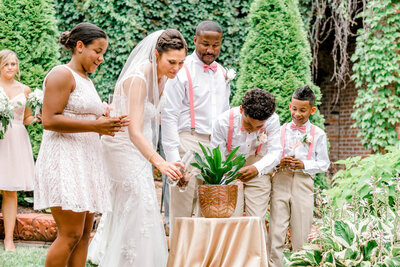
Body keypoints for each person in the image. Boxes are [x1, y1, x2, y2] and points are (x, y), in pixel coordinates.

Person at [87, 29, 187, 267]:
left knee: (135, 203)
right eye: (171, 62)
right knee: (141, 200)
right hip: (122, 146)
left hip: (141, 146)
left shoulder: (164, 76)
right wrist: (160, 162)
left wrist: (174, 157)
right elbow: (134, 131)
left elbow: (160, 120)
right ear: (156, 54)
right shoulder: (138, 78)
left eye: (181, 63)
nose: (176, 68)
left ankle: (121, 254)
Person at [34, 23, 128, 267]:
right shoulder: (61, 74)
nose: (101, 58)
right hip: (64, 160)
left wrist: (106, 123)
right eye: (97, 51)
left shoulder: (86, 79)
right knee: (70, 234)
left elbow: (86, 118)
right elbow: (49, 119)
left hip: (85, 160)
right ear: (79, 46)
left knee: (85, 234)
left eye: (103, 52)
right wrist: (96, 126)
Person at [161, 21, 230, 233]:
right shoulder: (181, 70)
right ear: (194, 41)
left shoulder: (222, 73)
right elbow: (169, 114)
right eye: (205, 44)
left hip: (215, 148)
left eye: (216, 45)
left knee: (210, 210)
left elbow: (225, 115)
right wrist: (173, 158)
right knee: (181, 209)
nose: (210, 50)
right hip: (188, 143)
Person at [268, 85, 330, 267]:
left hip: (303, 183)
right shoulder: (279, 131)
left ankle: (300, 263)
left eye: (303, 110)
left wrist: (305, 164)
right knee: (276, 230)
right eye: (294, 109)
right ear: (289, 106)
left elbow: (324, 164)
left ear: (312, 110)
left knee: (301, 232)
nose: (297, 114)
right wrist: (278, 161)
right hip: (280, 180)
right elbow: (269, 156)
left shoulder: (318, 134)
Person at [210, 88, 282, 243]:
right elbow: (217, 157)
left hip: (259, 166)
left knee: (256, 220)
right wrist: (228, 175)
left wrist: (257, 168)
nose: (252, 130)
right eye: (248, 124)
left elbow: (276, 152)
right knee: (231, 218)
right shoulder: (222, 122)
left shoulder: (272, 120)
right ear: (241, 109)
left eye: (258, 127)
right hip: (228, 169)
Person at [0, 49, 37, 251]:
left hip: (15, 140)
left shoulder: (25, 90)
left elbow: (27, 119)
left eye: (13, 64)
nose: (10, 68)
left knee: (10, 190)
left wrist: (39, 115)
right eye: (6, 64)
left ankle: (8, 240)